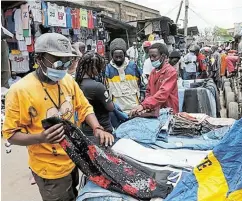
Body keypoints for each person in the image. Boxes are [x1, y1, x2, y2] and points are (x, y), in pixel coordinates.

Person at [2, 33, 114, 201]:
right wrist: (40, 137)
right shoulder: (20, 91)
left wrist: (97, 128)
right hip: (49, 169)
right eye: (57, 62)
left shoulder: (68, 81)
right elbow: (10, 134)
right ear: (39, 58)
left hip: (73, 159)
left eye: (67, 62)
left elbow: (84, 107)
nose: (63, 68)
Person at [130, 43, 179, 115]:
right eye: (150, 57)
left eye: (154, 56)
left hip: (169, 110)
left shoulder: (170, 71)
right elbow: (148, 92)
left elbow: (163, 93)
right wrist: (146, 106)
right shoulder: (153, 72)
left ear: (163, 57)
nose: (152, 59)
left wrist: (144, 105)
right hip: (155, 110)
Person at [75, 51, 114, 138]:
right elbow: (110, 107)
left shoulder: (76, 83)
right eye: (100, 67)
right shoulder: (98, 86)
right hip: (102, 131)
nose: (101, 71)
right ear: (94, 68)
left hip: (84, 129)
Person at [105, 38, 142, 113]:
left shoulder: (133, 66)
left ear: (124, 55)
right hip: (117, 111)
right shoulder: (107, 69)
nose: (118, 59)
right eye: (116, 57)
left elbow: (142, 85)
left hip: (135, 109)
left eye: (120, 57)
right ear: (112, 55)